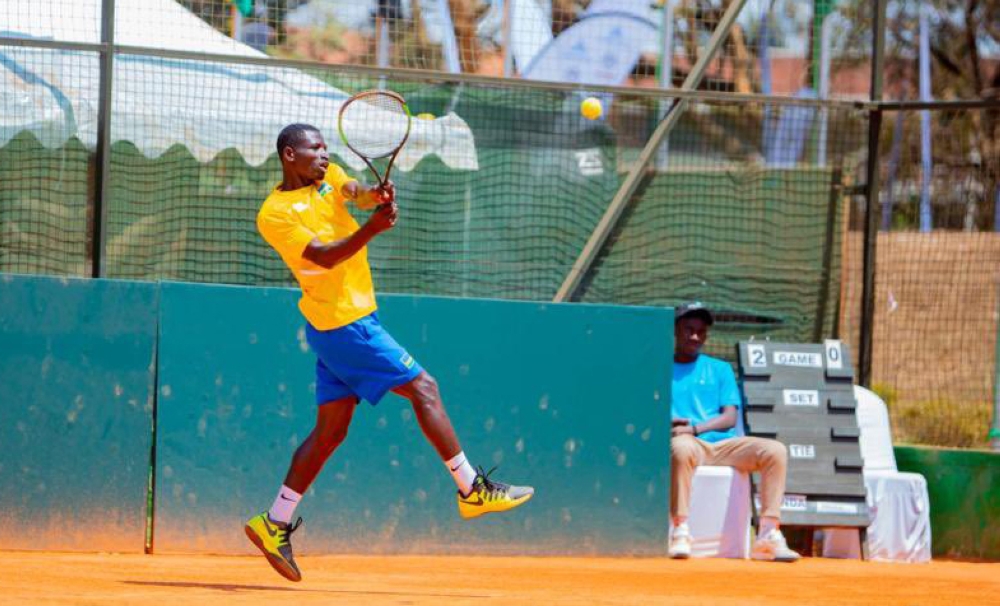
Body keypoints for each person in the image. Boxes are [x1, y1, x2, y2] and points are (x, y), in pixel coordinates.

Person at [245, 124, 534, 582]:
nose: (323, 155)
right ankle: (470, 488)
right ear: (288, 154)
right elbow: (321, 256)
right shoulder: (275, 213)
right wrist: (372, 230)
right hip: (345, 325)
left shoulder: (329, 179)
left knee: (329, 434)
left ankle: (274, 521)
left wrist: (373, 196)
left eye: (325, 147)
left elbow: (353, 191)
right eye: (313, 149)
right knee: (425, 388)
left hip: (346, 322)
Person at [669, 302, 799, 562]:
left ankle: (768, 536)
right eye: (688, 329)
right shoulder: (658, 368)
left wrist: (695, 428)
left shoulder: (720, 369)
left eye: (701, 331)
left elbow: (729, 417)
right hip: (687, 445)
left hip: (723, 446)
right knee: (682, 446)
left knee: (775, 451)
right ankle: (680, 531)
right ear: (675, 330)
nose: (695, 336)